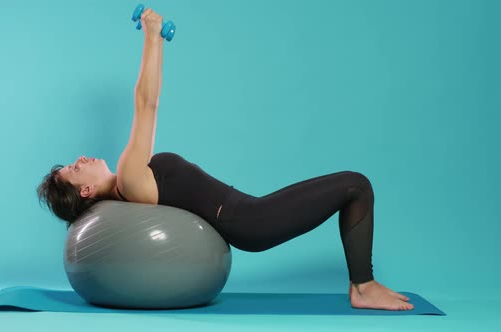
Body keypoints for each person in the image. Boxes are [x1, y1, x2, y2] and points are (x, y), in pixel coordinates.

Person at [36, 7, 414, 311]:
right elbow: (146, 103)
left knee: (353, 185)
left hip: (249, 215)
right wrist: (153, 37)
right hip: (251, 221)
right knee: (356, 185)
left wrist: (157, 42)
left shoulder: (131, 182)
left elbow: (147, 105)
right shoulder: (130, 178)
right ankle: (363, 286)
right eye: (75, 167)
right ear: (85, 190)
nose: (81, 157)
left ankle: (363, 285)